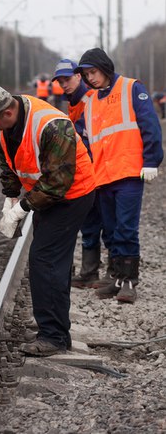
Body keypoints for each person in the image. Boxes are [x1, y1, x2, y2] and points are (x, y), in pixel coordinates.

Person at [0, 85, 96, 356]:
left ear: (6, 112)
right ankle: (56, 329)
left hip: (72, 195)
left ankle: (53, 337)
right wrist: (11, 196)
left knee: (45, 259)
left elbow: (57, 183)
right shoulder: (3, 127)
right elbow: (7, 162)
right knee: (50, 260)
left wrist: (22, 209)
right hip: (47, 194)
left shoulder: (53, 126)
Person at [75, 48, 163, 303]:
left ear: (104, 67)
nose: (90, 78)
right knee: (112, 230)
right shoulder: (91, 101)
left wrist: (151, 160)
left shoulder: (131, 88)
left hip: (128, 173)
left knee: (126, 228)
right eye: (86, 75)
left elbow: (150, 125)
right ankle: (115, 278)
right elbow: (86, 139)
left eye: (93, 72)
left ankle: (128, 282)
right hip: (102, 176)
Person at [52, 59, 111, 288]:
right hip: (87, 170)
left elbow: (85, 132)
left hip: (100, 168)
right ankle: (89, 272)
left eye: (68, 79)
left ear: (79, 76)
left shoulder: (90, 98)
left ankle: (111, 274)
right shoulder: (74, 100)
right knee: (89, 221)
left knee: (106, 221)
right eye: (60, 81)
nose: (64, 84)